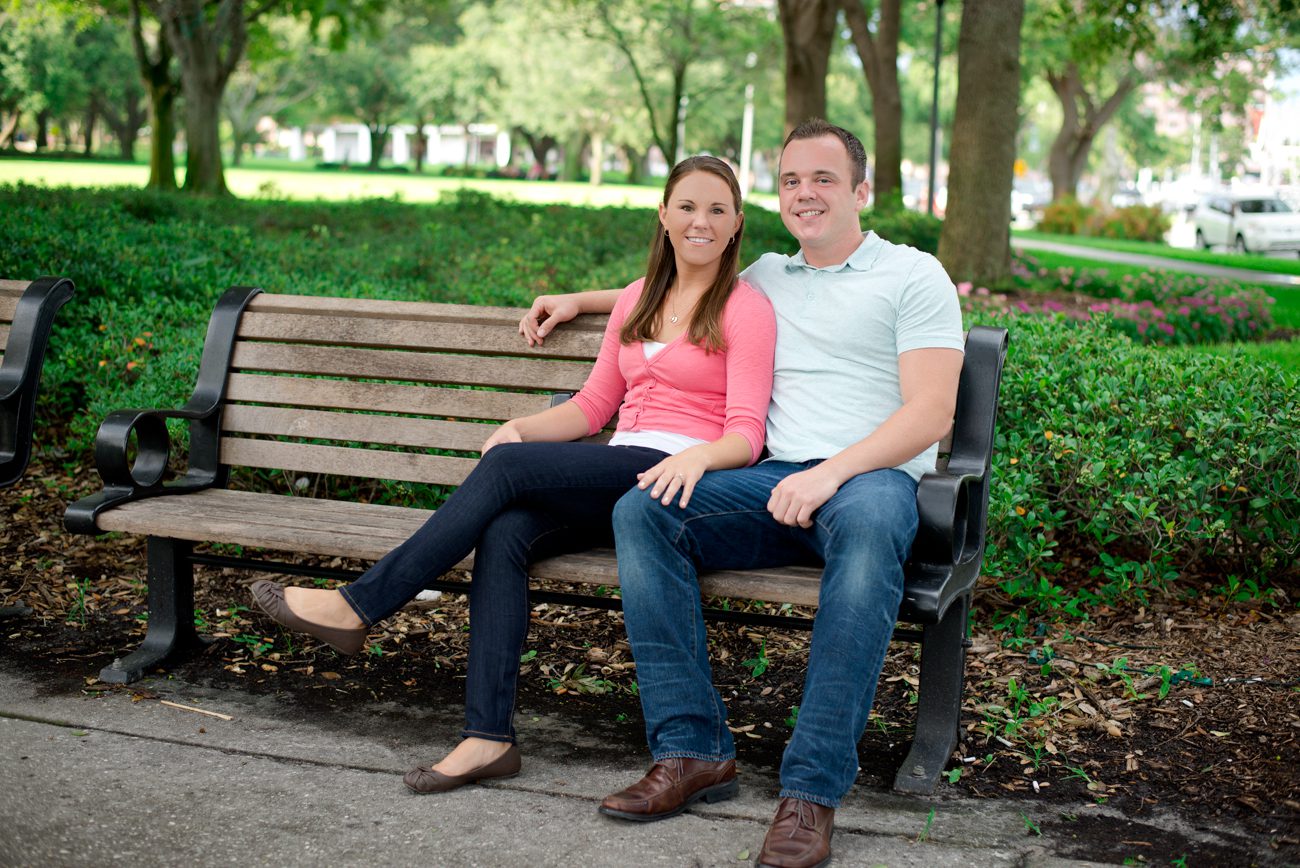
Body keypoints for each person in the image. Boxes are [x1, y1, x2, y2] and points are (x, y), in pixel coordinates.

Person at [251, 155, 776, 797]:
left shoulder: (746, 310)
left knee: (506, 474)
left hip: (675, 480)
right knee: (506, 532)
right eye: (687, 207)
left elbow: (747, 433)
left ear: (737, 224)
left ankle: (358, 605)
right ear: (663, 215)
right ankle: (488, 737)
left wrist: (697, 455)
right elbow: (591, 408)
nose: (701, 221)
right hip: (619, 470)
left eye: (717, 209)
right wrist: (522, 429)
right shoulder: (639, 299)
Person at [519, 120, 965, 868]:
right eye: (791, 180)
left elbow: (930, 412)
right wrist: (577, 299)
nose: (805, 194)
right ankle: (692, 751)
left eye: (823, 179)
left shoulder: (914, 277)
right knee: (644, 509)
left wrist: (830, 474)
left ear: (861, 190)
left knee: (862, 552)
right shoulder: (764, 276)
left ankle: (810, 796)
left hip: (869, 483)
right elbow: (679, 279)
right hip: (768, 479)